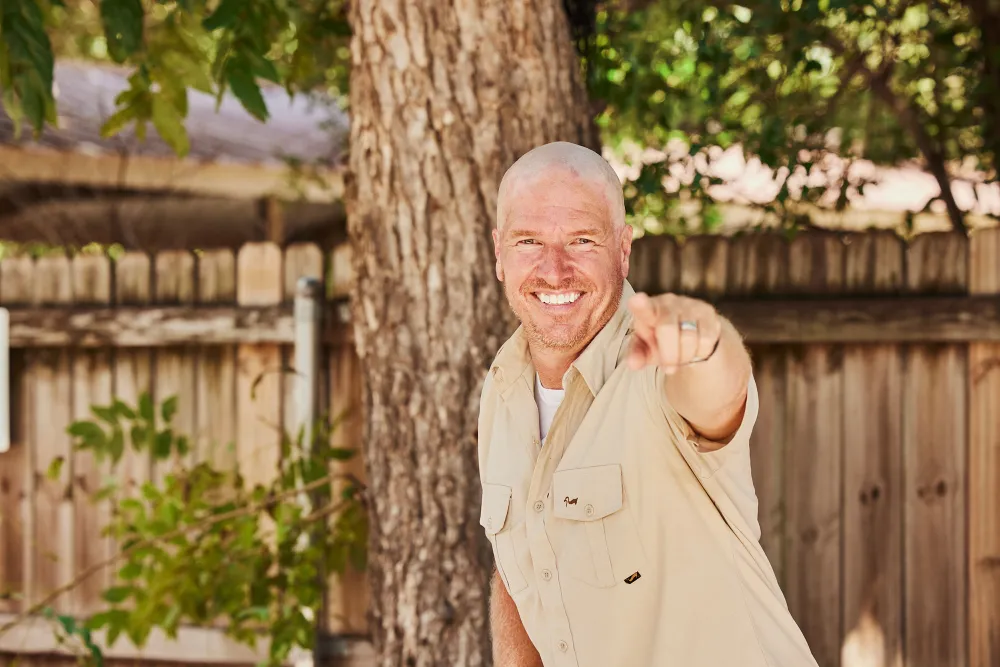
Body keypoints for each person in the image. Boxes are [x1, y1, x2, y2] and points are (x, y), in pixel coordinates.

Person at [477, 141, 819, 667]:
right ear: (499, 253)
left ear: (623, 248)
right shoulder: (502, 390)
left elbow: (716, 391)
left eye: (582, 240)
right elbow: (521, 568)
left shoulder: (656, 367)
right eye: (529, 241)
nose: (554, 269)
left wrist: (702, 343)